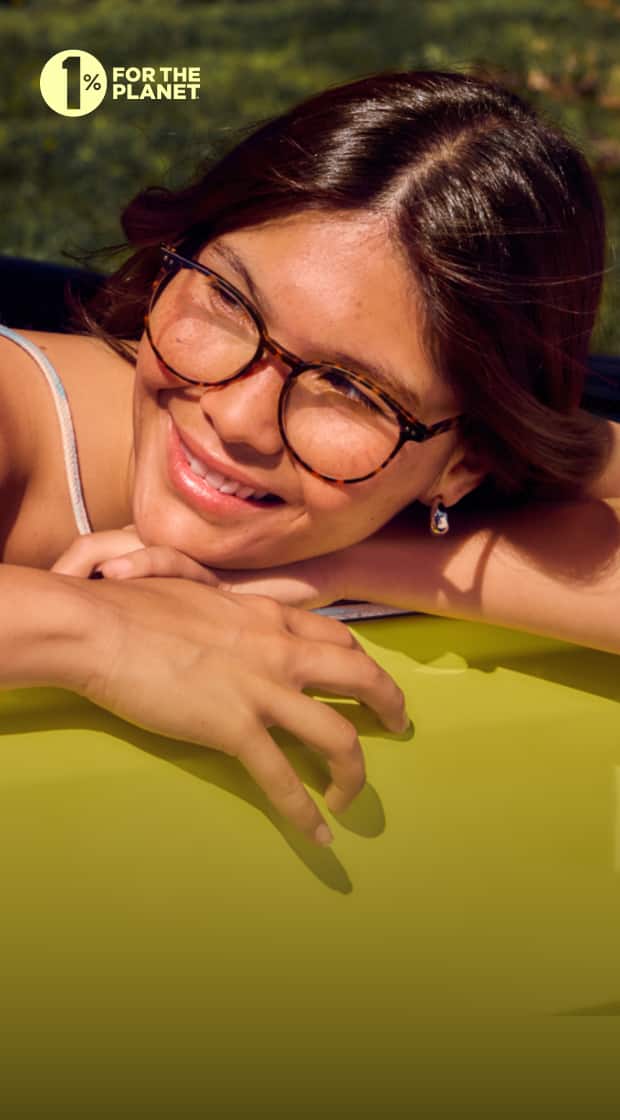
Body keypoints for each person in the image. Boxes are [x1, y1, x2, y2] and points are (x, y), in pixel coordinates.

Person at [1, 70, 618, 847]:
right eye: (228, 300)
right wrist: (88, 630)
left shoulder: (414, 475)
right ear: (170, 261)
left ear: (465, 465)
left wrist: (354, 564)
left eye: (352, 388)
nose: (238, 416)